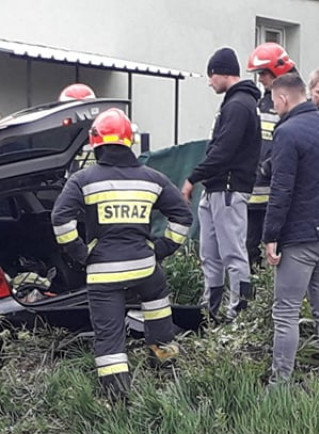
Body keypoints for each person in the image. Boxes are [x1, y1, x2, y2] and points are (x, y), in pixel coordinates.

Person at [51, 108, 192, 399]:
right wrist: (162, 249)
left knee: (109, 334)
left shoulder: (83, 179)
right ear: (130, 141)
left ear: (96, 143)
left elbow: (61, 220)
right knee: (157, 306)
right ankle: (165, 365)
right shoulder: (153, 178)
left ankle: (117, 398)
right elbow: (182, 216)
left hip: (103, 272)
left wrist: (81, 254)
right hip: (144, 266)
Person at [262, 73, 319, 386]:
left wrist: (271, 235)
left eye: (274, 101)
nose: (274, 108)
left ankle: (280, 385)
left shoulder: (288, 131)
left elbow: (281, 188)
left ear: (284, 98)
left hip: (303, 235)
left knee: (285, 311)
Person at [182, 48, 261, 321]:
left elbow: (223, 151)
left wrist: (193, 177)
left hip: (228, 188)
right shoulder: (234, 103)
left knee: (233, 255)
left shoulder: (239, 105)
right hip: (216, 188)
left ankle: (239, 314)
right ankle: (210, 311)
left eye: (211, 75)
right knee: (211, 254)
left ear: (222, 72)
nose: (209, 81)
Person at [245, 42, 297, 269]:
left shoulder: (292, 105)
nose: (260, 79)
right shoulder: (260, 103)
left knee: (280, 252)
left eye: (263, 73)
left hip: (278, 196)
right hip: (253, 196)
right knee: (249, 249)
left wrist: (267, 168)